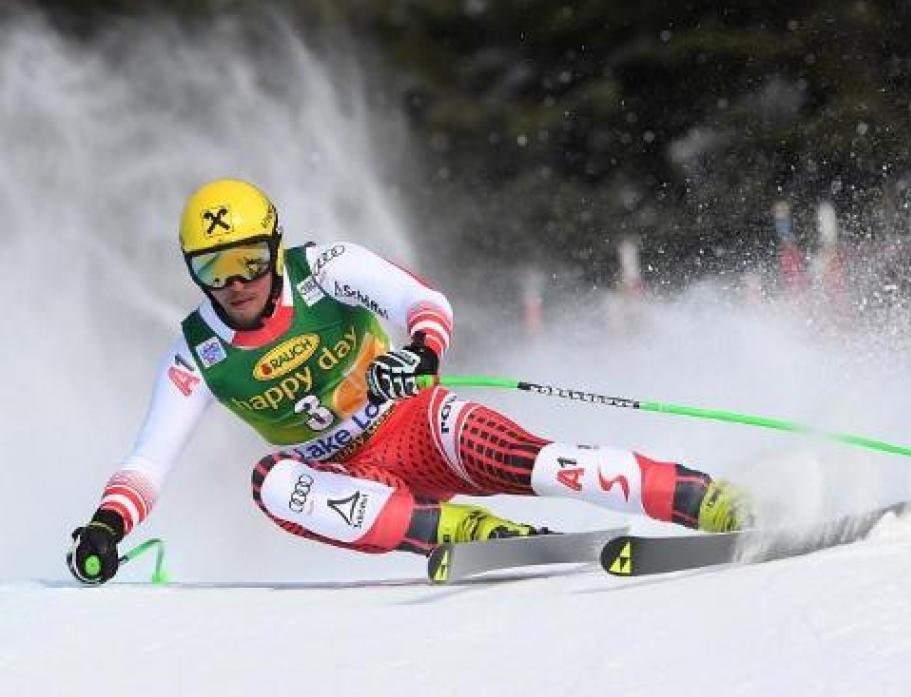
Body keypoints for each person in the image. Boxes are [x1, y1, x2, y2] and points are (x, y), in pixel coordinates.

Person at [67, 179, 749, 584]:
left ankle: (708, 500)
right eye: (214, 270)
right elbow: (148, 464)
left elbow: (422, 304)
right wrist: (104, 526)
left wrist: (421, 353)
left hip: (418, 424)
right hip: (356, 482)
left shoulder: (323, 268)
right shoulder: (196, 353)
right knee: (270, 482)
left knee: (547, 465)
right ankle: (467, 532)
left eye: (248, 260)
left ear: (274, 249)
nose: (237, 283)